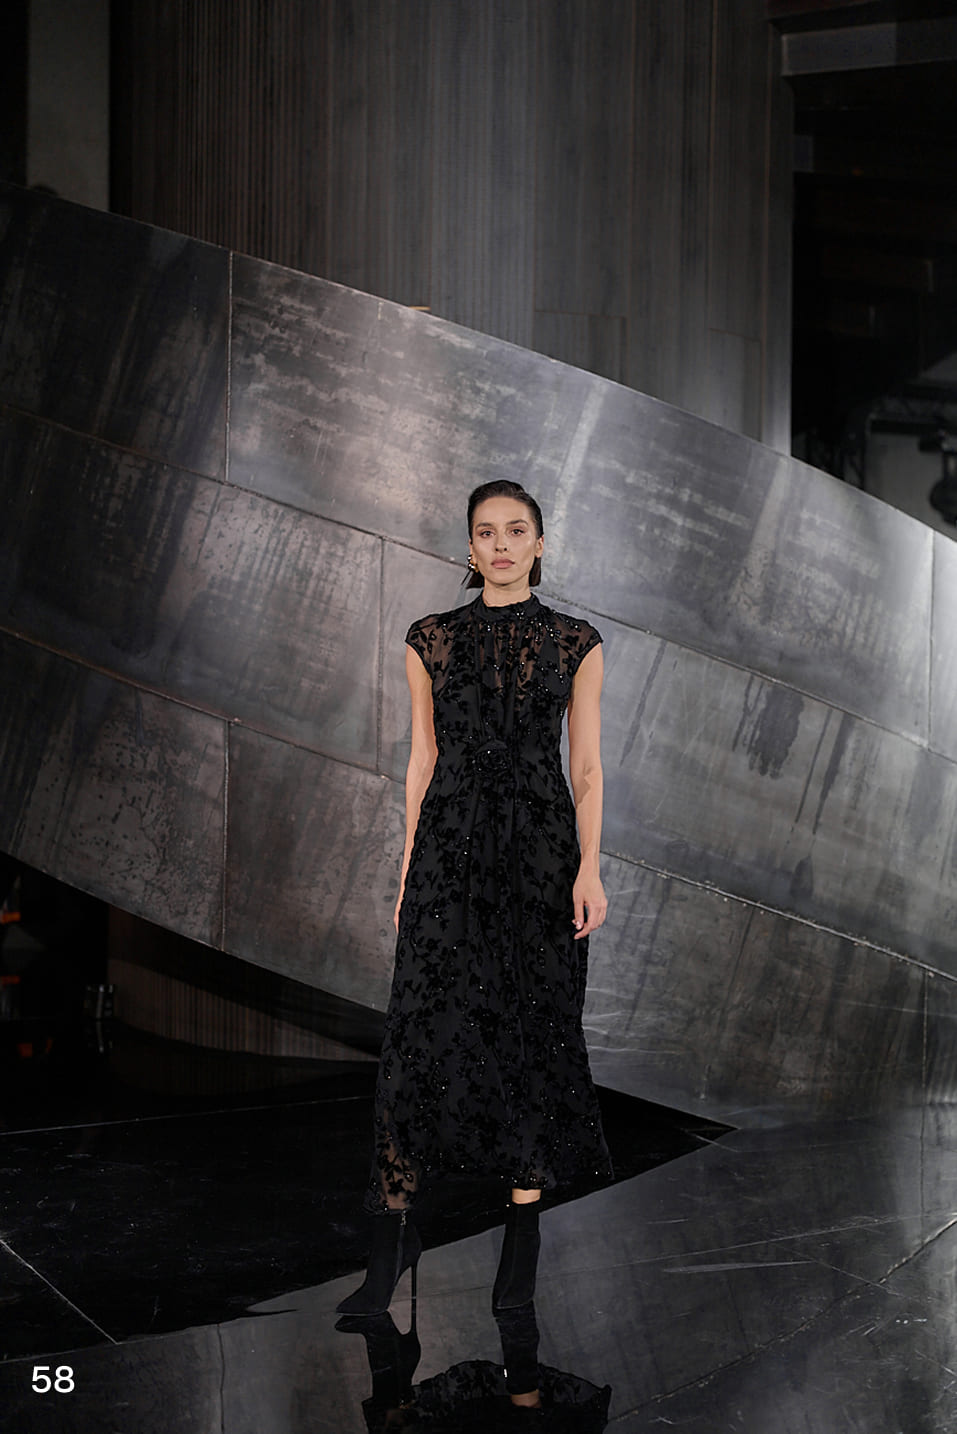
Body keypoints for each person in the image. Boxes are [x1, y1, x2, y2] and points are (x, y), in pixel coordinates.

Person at [338, 480, 612, 1369]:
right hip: (448, 852)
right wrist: (406, 869)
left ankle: (519, 1250)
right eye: (485, 532)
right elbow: (420, 759)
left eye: (515, 531)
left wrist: (590, 867)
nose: (499, 544)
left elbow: (587, 768)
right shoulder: (429, 639)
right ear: (468, 548)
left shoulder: (576, 642)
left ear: (539, 543)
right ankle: (391, 1239)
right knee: (418, 1035)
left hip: (538, 856)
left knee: (530, 1032)